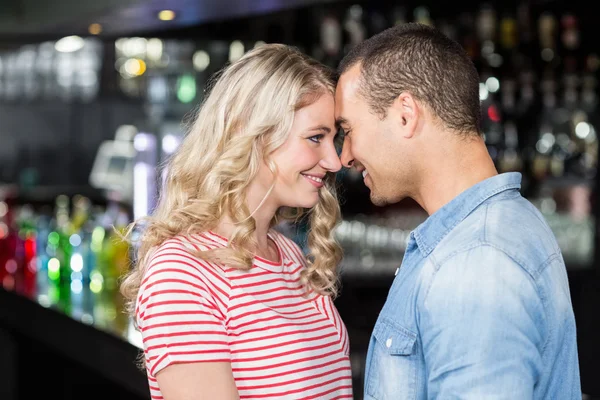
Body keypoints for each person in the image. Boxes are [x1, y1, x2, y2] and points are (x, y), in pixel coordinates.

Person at [334, 23, 581, 399]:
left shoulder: (475, 264)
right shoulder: (509, 222)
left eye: (348, 130)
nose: (344, 155)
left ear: (405, 115)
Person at [120, 43, 353, 400]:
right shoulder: (183, 273)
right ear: (253, 133)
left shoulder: (287, 255)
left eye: (332, 139)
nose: (334, 161)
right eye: (315, 138)